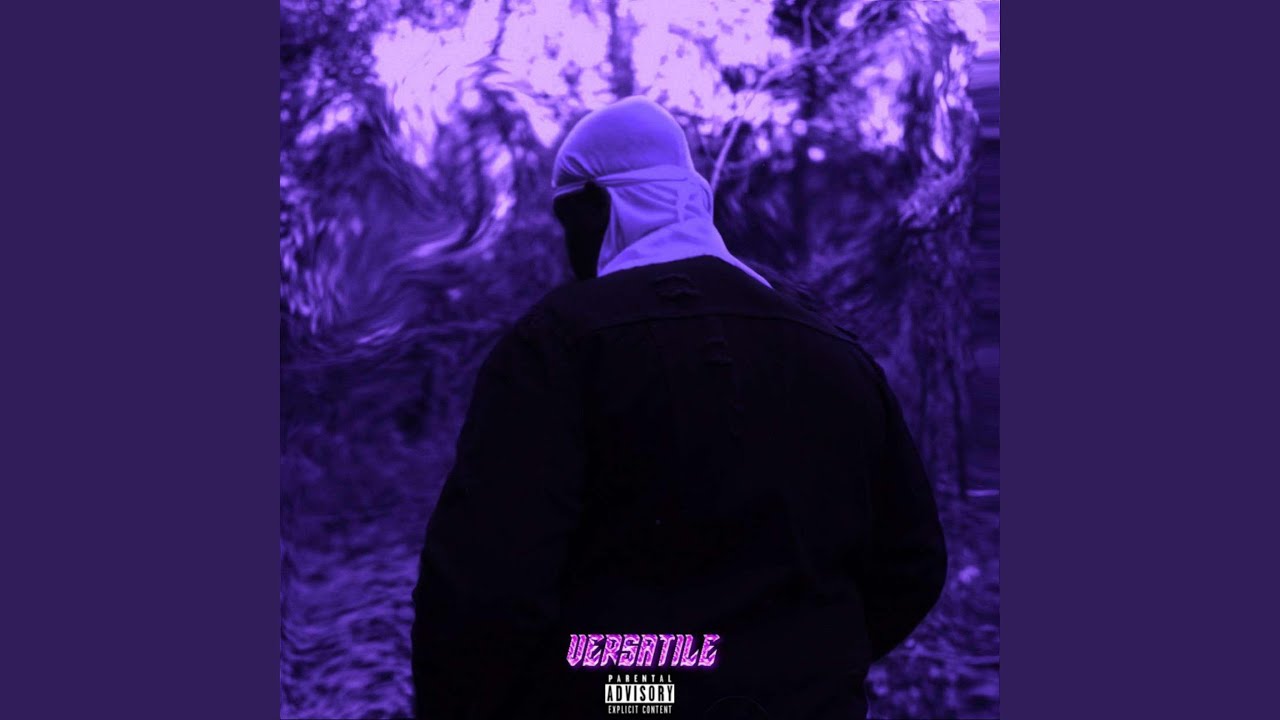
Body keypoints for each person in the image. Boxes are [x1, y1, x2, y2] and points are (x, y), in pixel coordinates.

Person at [411, 96, 947, 719]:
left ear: (602, 207)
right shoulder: (831, 348)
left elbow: (484, 587)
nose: (567, 247)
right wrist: (804, 672)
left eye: (569, 222)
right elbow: (913, 562)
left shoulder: (559, 343)